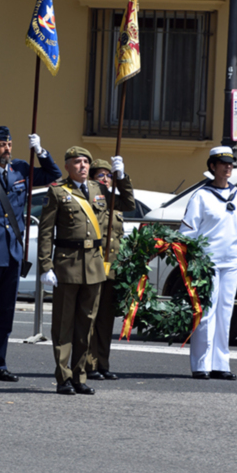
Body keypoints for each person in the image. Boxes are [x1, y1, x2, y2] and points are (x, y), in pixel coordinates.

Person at [0, 126, 61, 383]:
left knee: (6, 311)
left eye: (9, 144)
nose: (7, 149)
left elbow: (53, 174)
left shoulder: (21, 170)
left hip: (13, 251)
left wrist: (41, 151)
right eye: (1, 145)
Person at [38, 146, 126, 395]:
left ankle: (80, 376)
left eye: (86, 162)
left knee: (86, 325)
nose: (83, 166)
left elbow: (126, 203)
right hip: (67, 265)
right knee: (64, 324)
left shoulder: (99, 189)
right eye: (77, 162)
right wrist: (46, 265)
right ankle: (63, 377)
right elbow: (46, 231)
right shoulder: (57, 192)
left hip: (93, 266)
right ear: (67, 166)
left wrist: (123, 177)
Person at [179, 145, 237, 381]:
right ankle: (201, 365)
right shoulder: (201, 196)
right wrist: (193, 262)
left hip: (230, 263)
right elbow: (188, 232)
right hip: (206, 264)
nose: (228, 167)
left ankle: (221, 363)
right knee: (206, 314)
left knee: (225, 314)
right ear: (212, 167)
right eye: (223, 163)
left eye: (231, 163)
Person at [85, 158, 135, 382]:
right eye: (100, 175)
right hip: (93, 265)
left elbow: (130, 203)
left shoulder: (115, 199)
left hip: (111, 267)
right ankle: (89, 364)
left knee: (105, 320)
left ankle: (103, 363)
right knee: (90, 318)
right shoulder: (88, 197)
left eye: (108, 175)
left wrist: (122, 177)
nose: (105, 179)